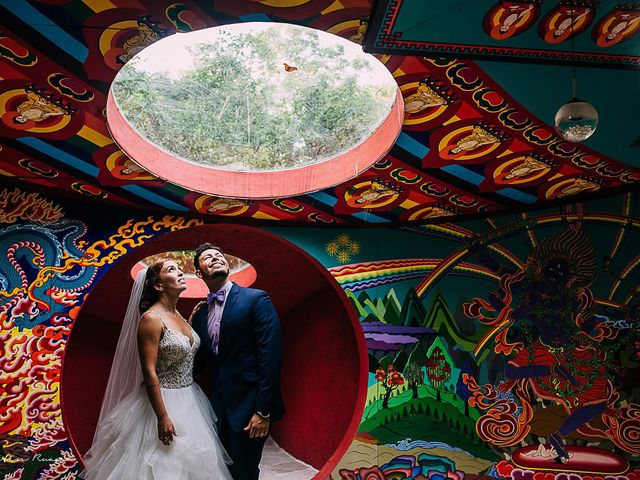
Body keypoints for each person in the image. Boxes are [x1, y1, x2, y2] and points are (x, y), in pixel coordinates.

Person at [82, 259, 232, 480]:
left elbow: (180, 348)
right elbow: (149, 371)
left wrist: (190, 323)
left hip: (189, 400)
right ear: (159, 285)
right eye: (172, 270)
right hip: (162, 403)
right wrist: (162, 417)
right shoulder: (151, 319)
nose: (181, 272)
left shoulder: (177, 314)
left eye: (180, 269)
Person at [190, 243, 284, 480]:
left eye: (218, 256)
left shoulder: (255, 299)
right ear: (199, 273)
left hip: (251, 405)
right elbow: (200, 364)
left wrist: (263, 411)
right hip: (217, 407)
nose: (215, 258)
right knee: (221, 471)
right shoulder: (200, 314)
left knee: (245, 471)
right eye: (207, 257)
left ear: (228, 264)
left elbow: (270, 355)